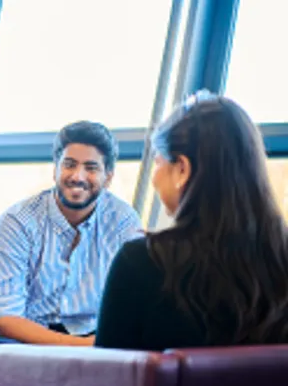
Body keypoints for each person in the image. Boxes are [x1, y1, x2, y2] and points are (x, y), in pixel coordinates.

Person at [95, 91, 288, 351]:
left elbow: (107, 380)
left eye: (158, 163)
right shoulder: (280, 259)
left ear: (182, 169)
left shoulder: (142, 262)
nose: (154, 178)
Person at [0, 120, 143, 351]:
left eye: (91, 168)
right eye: (69, 164)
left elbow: (132, 304)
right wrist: (80, 347)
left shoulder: (123, 221)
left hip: (94, 334)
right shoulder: (16, 222)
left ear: (108, 177)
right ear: (55, 168)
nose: (78, 176)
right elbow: (4, 319)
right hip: (25, 337)